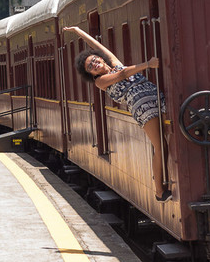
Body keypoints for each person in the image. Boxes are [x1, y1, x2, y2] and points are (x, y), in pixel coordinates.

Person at [64, 25, 170, 201]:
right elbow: (123, 75)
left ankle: (165, 184)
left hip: (156, 98)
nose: (95, 64)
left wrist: (78, 31)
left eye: (95, 60)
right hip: (143, 107)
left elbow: (98, 47)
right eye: (91, 66)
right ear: (90, 73)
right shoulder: (101, 81)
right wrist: (147, 64)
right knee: (160, 146)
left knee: (167, 142)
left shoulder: (113, 63)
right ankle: (159, 191)